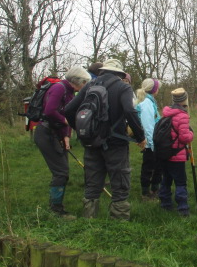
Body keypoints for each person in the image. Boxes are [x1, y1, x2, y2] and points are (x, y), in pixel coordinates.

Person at [64, 58, 146, 220]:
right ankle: (118, 222)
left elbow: (68, 110)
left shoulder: (89, 86)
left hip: (92, 141)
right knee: (120, 180)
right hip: (116, 142)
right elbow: (130, 112)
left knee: (93, 181)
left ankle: (89, 219)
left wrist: (81, 131)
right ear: (119, 73)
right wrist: (140, 137)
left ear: (104, 71)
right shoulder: (123, 87)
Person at [33, 66, 91, 219]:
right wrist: (66, 121)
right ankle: (55, 209)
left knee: (63, 171)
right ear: (78, 81)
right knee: (61, 172)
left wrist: (66, 135)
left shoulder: (71, 92)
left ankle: (57, 205)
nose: (85, 86)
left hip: (57, 133)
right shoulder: (59, 88)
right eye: (85, 83)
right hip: (46, 133)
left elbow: (66, 112)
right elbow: (50, 111)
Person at [158, 88, 194, 216]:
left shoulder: (167, 113)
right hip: (177, 155)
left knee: (166, 179)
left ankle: (165, 204)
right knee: (180, 181)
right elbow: (185, 137)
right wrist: (191, 134)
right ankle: (183, 208)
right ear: (184, 100)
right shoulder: (182, 115)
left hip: (164, 153)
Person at [135, 78, 162, 200]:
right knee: (149, 168)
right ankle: (146, 192)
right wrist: (151, 145)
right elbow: (148, 126)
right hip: (151, 143)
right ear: (154, 89)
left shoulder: (150, 102)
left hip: (154, 141)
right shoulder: (146, 103)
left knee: (156, 166)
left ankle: (155, 188)